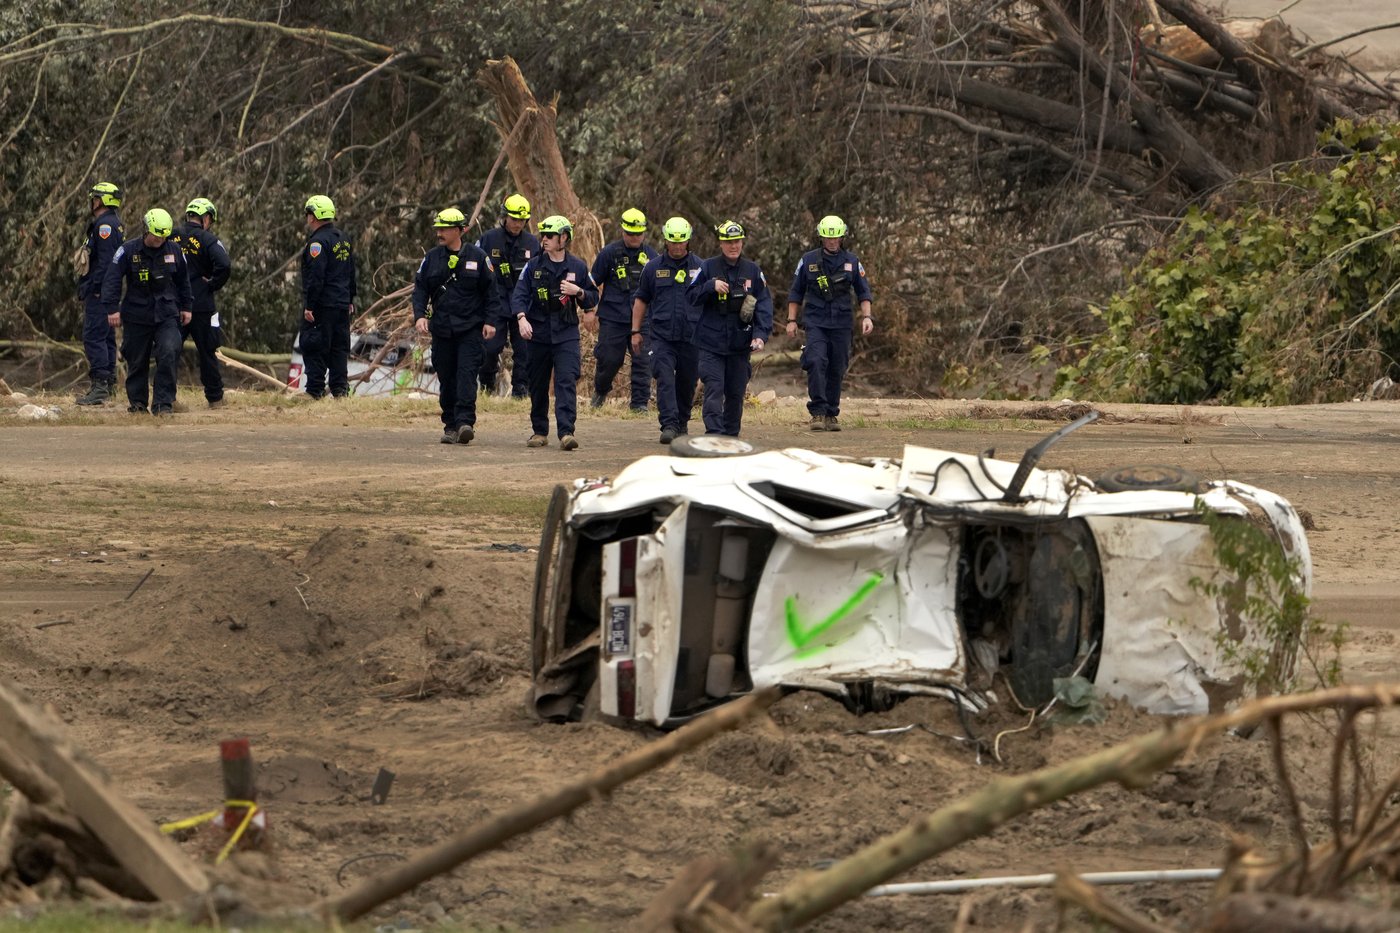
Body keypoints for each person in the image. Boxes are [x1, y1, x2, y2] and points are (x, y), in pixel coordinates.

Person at [411, 207, 503, 445]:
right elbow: (420, 289)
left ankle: (464, 423)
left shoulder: (478, 256)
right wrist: (420, 315)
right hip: (442, 329)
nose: (439, 233)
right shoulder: (431, 258)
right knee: (447, 377)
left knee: (466, 376)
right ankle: (450, 424)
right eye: (438, 228)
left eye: (444, 228)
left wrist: (491, 321)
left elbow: (491, 292)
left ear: (459, 230)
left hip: (470, 329)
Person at [511, 215, 598, 450]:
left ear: (564, 237)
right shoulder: (533, 266)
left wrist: (578, 291)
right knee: (537, 384)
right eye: (543, 235)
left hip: (566, 333)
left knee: (566, 381)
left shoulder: (578, 267)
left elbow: (592, 297)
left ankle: (566, 432)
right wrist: (521, 319)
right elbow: (519, 295)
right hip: (538, 333)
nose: (544, 240)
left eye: (549, 235)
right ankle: (539, 431)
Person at [100, 208, 193, 416]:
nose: (160, 240)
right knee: (136, 359)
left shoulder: (175, 250)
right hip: (136, 314)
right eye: (156, 235)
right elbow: (112, 279)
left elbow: (184, 281)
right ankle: (138, 404)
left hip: (167, 314)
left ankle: (163, 404)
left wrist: (187, 307)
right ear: (146, 230)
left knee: (169, 352)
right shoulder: (128, 250)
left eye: (164, 236)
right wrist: (112, 309)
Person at [785, 215, 874, 432]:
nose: (832, 242)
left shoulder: (852, 262)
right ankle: (817, 412)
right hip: (816, 322)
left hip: (842, 324)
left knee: (837, 367)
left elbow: (864, 292)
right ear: (821, 237)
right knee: (815, 361)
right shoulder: (808, 260)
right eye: (827, 238)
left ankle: (831, 413)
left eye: (835, 238)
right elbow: (796, 292)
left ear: (842, 237)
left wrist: (867, 317)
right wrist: (791, 320)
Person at [687, 220, 773, 437]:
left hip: (739, 343)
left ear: (742, 242)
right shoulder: (707, 267)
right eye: (728, 242)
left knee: (735, 392)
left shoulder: (752, 271)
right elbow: (690, 297)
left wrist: (760, 335)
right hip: (711, 342)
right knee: (714, 388)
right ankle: (714, 434)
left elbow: (763, 304)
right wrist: (710, 286)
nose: (733, 246)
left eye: (737, 241)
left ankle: (731, 435)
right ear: (721, 243)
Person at [632, 216, 703, 444]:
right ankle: (669, 424)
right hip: (661, 336)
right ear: (666, 240)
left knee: (687, 381)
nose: (677, 246)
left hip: (692, 336)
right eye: (673, 242)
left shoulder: (701, 268)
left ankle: (682, 421)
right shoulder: (653, 268)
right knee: (664, 377)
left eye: (681, 241)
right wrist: (635, 331)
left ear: (688, 240)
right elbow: (641, 300)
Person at [590, 208, 657, 410]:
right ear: (623, 231)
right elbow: (592, 283)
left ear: (644, 233)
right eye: (630, 233)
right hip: (613, 317)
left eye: (638, 233)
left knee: (642, 362)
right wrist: (588, 309)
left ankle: (639, 405)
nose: (635, 237)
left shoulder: (652, 257)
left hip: (643, 320)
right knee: (609, 360)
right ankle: (600, 391)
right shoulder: (609, 253)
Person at [475, 194, 539, 398]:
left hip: (523, 306)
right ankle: (486, 385)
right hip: (495, 305)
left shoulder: (532, 243)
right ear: (505, 217)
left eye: (522, 220)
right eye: (514, 219)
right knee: (490, 349)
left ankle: (521, 392)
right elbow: (477, 272)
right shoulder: (488, 239)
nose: (517, 224)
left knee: (525, 351)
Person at [172, 198, 232, 407]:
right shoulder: (209, 239)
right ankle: (215, 398)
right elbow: (224, 264)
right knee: (207, 352)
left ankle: (167, 398)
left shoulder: (172, 235)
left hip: (175, 304)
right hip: (202, 304)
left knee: (170, 351)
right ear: (206, 218)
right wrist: (213, 283)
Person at [299, 195, 357, 399]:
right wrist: (350, 299)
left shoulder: (317, 243)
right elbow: (350, 271)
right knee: (339, 347)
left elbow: (316, 277)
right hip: (341, 304)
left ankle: (314, 390)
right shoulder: (344, 239)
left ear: (313, 216)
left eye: (308, 213)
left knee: (314, 345)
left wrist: (310, 306)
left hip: (322, 305)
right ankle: (340, 390)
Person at [75, 182, 125, 406]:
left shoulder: (105, 226)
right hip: (106, 292)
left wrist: (97, 290)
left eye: (94, 198)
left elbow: (106, 263)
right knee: (106, 337)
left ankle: (100, 387)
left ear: (101, 200)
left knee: (93, 337)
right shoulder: (110, 223)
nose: (91, 202)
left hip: (101, 293)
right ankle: (110, 384)